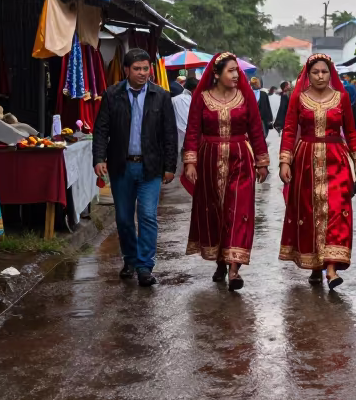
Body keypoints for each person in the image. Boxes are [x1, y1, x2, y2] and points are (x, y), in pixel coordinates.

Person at [182, 53, 270, 290]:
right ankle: (220, 261)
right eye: (230, 71)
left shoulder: (245, 96)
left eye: (236, 70)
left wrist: (262, 161)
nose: (236, 75)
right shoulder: (202, 98)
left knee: (238, 211)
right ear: (217, 74)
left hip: (240, 158)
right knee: (215, 211)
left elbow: (256, 129)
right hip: (209, 160)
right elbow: (192, 130)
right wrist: (190, 162)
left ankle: (234, 269)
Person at [278, 55, 356, 290]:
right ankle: (316, 265)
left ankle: (331, 269)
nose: (320, 76)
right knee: (310, 211)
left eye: (324, 72)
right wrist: (285, 161)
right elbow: (289, 130)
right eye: (315, 72)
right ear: (308, 75)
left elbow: (351, 129)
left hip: (336, 160)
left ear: (330, 73)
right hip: (305, 160)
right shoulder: (299, 98)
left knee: (336, 209)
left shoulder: (341, 97)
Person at [93, 48, 177, 287]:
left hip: (150, 167)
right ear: (126, 70)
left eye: (145, 68)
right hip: (122, 167)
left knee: (148, 216)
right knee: (124, 218)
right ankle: (130, 259)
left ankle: (145, 266)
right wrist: (99, 158)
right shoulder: (112, 95)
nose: (142, 73)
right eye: (137, 69)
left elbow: (170, 134)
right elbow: (101, 130)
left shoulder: (161, 96)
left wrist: (170, 166)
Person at [172, 76, 199, 170]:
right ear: (194, 89)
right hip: (189, 138)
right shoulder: (195, 100)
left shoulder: (174, 100)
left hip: (178, 139)